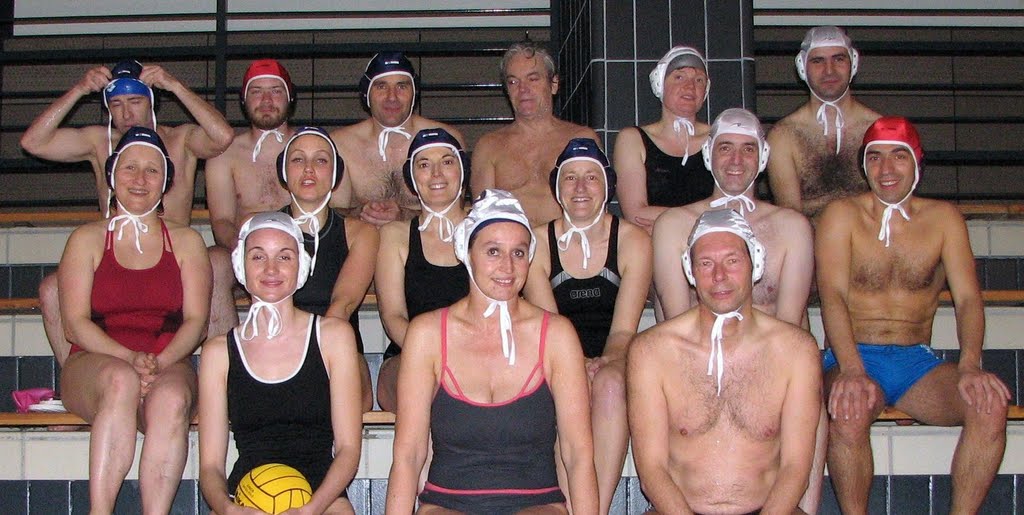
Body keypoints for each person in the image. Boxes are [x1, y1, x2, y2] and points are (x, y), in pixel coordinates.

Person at [817, 117, 1009, 514]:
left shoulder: (944, 219)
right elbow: (832, 295)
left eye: (898, 157)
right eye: (875, 158)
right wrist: (851, 369)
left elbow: (968, 298)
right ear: (864, 165)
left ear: (916, 162)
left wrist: (970, 364)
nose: (886, 169)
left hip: (915, 362)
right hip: (853, 354)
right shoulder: (841, 215)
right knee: (850, 410)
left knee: (989, 406)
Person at [387, 190, 599, 514]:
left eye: (518, 252)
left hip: (536, 503)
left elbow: (578, 454)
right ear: (467, 253)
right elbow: (408, 455)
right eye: (493, 251)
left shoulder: (556, 335)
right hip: (447, 503)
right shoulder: (428, 334)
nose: (507, 266)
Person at [22, 59, 233, 367]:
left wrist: (173, 85)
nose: (126, 113)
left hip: (171, 261)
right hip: (114, 259)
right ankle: (78, 376)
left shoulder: (179, 140)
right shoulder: (101, 142)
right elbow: (32, 142)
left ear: (152, 102)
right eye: (116, 104)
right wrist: (79, 89)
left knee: (216, 264)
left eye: (135, 101)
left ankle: (223, 374)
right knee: (51, 289)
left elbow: (222, 136)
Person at [57, 127, 212, 513]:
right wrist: (130, 359)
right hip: (97, 362)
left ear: (165, 181)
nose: (140, 179)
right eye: (130, 168)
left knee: (172, 398)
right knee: (120, 380)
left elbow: (196, 321)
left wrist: (159, 362)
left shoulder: (187, 242)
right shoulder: (86, 239)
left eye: (152, 170)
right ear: (112, 176)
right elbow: (74, 324)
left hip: (167, 359)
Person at [628, 209, 821, 514]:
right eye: (706, 263)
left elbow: (796, 469)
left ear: (755, 264)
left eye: (732, 261)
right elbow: (652, 472)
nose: (719, 276)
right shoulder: (652, 351)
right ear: (690, 271)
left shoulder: (796, 351)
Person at [198, 212, 363, 514]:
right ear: (241, 266)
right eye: (258, 256)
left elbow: (348, 450)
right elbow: (210, 466)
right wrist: (228, 508)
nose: (271, 269)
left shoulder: (333, 336)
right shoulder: (218, 352)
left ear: (301, 266)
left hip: (321, 497)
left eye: (284, 257)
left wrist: (309, 509)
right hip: (247, 497)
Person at [522, 138, 651, 514]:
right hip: (556, 353)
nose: (580, 187)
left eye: (591, 177)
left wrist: (604, 361)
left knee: (610, 385)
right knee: (569, 386)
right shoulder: (536, 243)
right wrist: (576, 364)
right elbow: (551, 329)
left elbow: (624, 331)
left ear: (607, 186)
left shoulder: (632, 240)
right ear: (557, 187)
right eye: (570, 177)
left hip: (614, 353)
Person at [653, 108, 813, 324]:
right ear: (708, 154)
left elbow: (790, 326)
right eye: (725, 148)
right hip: (696, 345)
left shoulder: (792, 228)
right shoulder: (673, 226)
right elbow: (677, 324)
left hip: (771, 345)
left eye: (748, 149)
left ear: (763, 157)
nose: (736, 160)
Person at [278, 126, 378, 411]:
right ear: (284, 171)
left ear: (335, 173)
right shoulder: (262, 231)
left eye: (320, 160)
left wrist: (311, 361)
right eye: (298, 159)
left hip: (338, 344)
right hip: (279, 341)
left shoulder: (361, 233)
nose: (308, 169)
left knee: (346, 392)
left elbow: (342, 305)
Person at [375, 128, 470, 412]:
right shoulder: (395, 235)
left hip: (477, 354)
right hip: (411, 355)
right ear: (412, 178)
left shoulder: (488, 230)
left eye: (447, 162)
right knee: (426, 382)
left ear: (462, 170)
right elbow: (393, 316)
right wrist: (434, 354)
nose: (436, 173)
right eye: (425, 164)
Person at [205, 58, 297, 339]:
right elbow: (221, 221)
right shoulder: (224, 155)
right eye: (257, 92)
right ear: (244, 100)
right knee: (213, 262)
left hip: (301, 247)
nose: (267, 100)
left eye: (276, 91)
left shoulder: (309, 147)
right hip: (244, 249)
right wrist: (243, 247)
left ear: (290, 98)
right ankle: (226, 353)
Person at [471, 40, 600, 227]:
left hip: (568, 242)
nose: (523, 89)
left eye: (533, 79)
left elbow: (597, 212)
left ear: (553, 84)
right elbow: (481, 220)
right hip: (511, 244)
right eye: (513, 81)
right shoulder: (489, 146)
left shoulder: (581, 139)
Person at [330, 52, 465, 227]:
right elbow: (330, 215)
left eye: (401, 86)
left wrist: (405, 215)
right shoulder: (341, 144)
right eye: (381, 86)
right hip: (366, 240)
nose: (392, 97)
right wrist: (360, 212)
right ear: (366, 94)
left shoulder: (445, 140)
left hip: (424, 240)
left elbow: (456, 211)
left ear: (414, 93)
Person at [767, 26, 882, 220]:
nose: (829, 70)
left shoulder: (877, 129)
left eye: (838, 59)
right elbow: (791, 219)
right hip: (808, 238)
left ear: (853, 63)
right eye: (818, 61)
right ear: (802, 67)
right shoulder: (784, 136)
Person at [613, 45, 714, 234]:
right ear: (660, 84)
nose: (690, 86)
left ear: (705, 91)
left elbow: (732, 210)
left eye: (699, 80)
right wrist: (706, 219)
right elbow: (635, 214)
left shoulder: (719, 137)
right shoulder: (632, 140)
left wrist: (664, 224)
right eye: (679, 77)